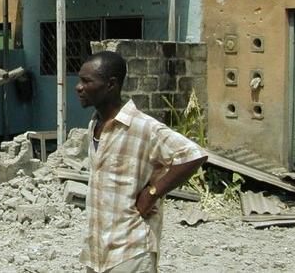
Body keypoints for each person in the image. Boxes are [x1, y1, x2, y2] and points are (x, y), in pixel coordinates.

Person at [76, 51, 207, 273]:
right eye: (80, 80)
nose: (79, 87)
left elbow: (193, 154)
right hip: (97, 250)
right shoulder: (95, 124)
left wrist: (153, 191)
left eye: (87, 81)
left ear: (111, 85)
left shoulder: (142, 126)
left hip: (131, 249)